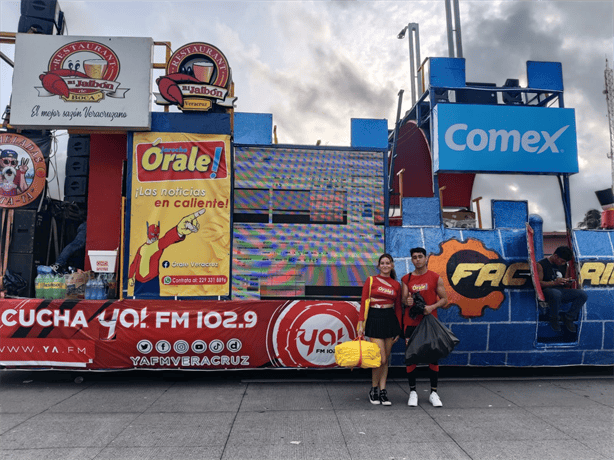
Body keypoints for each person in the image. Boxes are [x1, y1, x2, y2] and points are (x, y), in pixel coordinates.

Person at [401, 247, 448, 408]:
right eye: (414, 257)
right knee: (411, 358)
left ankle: (433, 393)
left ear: (426, 258)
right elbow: (403, 299)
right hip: (411, 323)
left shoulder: (435, 277)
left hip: (429, 323)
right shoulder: (406, 279)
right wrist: (406, 302)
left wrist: (431, 307)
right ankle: (413, 392)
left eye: (420, 257)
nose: (417, 260)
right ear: (411, 260)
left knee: (433, 357)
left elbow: (444, 299)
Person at [357, 253, 402, 406]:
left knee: (386, 360)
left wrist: (399, 328)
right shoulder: (371, 280)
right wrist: (360, 324)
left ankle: (383, 391)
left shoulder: (396, 285)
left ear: (392, 265)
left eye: (388, 263)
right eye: (382, 263)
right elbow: (364, 302)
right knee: (379, 358)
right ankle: (373, 389)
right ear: (379, 265)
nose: (385, 265)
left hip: (390, 319)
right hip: (374, 318)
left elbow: (398, 308)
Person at [128, 209, 205, 297]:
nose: (155, 238)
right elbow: (134, 263)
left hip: (152, 281)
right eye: (153, 235)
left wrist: (178, 231)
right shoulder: (141, 248)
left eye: (156, 235)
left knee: (154, 304)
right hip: (138, 283)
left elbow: (167, 239)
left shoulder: (157, 245)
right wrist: (130, 276)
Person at [537, 246, 588, 332]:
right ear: (556, 256)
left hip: (561, 291)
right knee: (556, 293)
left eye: (565, 262)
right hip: (547, 291)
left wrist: (568, 282)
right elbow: (538, 283)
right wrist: (554, 283)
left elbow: (565, 283)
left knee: (582, 294)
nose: (563, 263)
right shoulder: (541, 265)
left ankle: (568, 318)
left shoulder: (564, 266)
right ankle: (554, 318)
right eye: (562, 261)